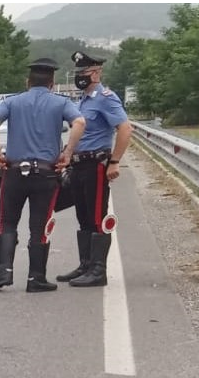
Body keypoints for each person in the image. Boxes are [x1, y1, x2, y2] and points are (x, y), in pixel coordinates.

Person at [0, 57, 87, 292]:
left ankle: (4, 272)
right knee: (39, 226)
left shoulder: (13, 102)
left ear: (27, 82)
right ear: (52, 83)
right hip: (45, 173)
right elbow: (80, 122)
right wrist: (68, 153)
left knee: (7, 222)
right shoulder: (60, 103)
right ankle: (36, 278)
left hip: (14, 171)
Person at [56, 51, 133, 287]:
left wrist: (115, 161)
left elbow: (125, 128)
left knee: (97, 216)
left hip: (95, 165)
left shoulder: (105, 98)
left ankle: (98, 271)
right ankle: (85, 265)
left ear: (97, 72)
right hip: (78, 165)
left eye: (85, 72)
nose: (80, 76)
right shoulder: (82, 101)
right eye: (78, 73)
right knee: (83, 216)